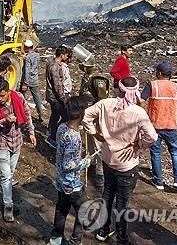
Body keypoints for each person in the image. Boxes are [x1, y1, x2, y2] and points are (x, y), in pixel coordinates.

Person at [83, 76, 157, 244]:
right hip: (127, 165)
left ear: (119, 88)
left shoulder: (105, 104)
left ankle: (103, 229)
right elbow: (152, 136)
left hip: (108, 159)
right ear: (135, 91)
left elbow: (86, 115)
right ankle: (122, 238)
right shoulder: (138, 112)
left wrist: (95, 133)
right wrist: (139, 144)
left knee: (107, 195)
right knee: (122, 203)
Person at [0, 79, 36, 222]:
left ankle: (7, 196)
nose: (0, 99)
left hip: (17, 141)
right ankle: (8, 205)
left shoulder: (18, 97)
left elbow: (27, 114)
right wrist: (5, 120)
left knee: (10, 172)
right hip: (2, 141)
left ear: (9, 92)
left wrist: (31, 132)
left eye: (3, 95)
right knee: (5, 175)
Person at [48, 96, 91, 245]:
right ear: (82, 115)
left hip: (60, 180)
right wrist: (85, 162)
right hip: (71, 183)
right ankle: (75, 240)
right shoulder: (73, 137)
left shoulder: (62, 127)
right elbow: (68, 165)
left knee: (62, 208)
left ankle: (55, 238)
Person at [140, 62, 177, 191]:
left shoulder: (152, 85)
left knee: (155, 153)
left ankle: (158, 181)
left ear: (159, 73)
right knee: (175, 152)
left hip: (155, 125)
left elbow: (141, 100)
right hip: (171, 125)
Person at [78, 61, 110, 188]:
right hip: (88, 114)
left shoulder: (98, 79)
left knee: (98, 144)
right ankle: (92, 164)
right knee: (90, 142)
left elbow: (102, 100)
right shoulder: (88, 77)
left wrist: (97, 115)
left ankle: (100, 173)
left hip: (96, 116)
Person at [45, 45, 69, 148]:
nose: (67, 58)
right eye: (66, 55)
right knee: (65, 116)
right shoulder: (55, 66)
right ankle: (53, 136)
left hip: (52, 96)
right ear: (62, 55)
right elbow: (57, 85)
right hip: (55, 97)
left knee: (55, 116)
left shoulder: (51, 62)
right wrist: (63, 98)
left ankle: (52, 133)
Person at [21, 39, 44, 122]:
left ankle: (22, 114)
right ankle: (41, 115)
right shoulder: (37, 55)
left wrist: (25, 84)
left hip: (28, 80)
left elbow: (27, 70)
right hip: (35, 79)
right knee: (37, 99)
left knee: (21, 98)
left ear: (27, 48)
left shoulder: (28, 57)